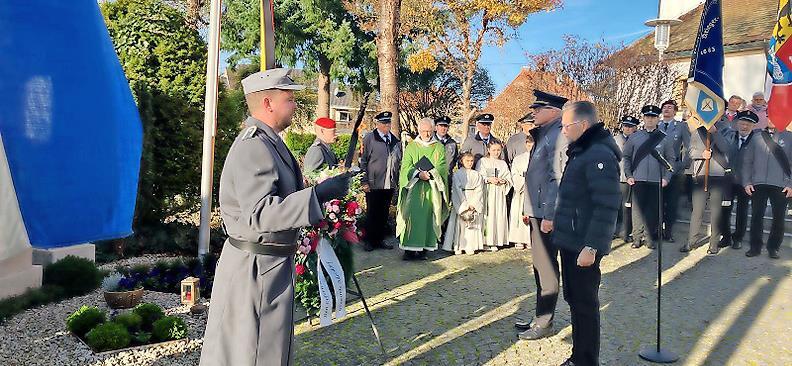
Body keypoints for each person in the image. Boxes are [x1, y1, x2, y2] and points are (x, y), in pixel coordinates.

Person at [200, 68, 350, 366]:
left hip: (268, 264)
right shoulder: (254, 146)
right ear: (267, 103)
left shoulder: (269, 142)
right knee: (253, 353)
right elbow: (261, 213)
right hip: (256, 270)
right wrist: (318, 195)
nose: (295, 104)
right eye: (289, 98)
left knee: (267, 350)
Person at [554, 101, 621, 366]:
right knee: (575, 300)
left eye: (565, 126)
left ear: (582, 125)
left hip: (583, 244)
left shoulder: (598, 154)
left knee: (585, 305)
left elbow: (606, 205)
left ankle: (585, 360)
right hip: (572, 239)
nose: (563, 131)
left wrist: (592, 246)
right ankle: (578, 356)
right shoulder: (583, 150)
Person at [515, 89, 569, 340]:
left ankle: (545, 321)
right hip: (537, 212)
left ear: (554, 111)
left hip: (547, 215)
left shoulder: (558, 135)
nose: (533, 112)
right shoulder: (546, 134)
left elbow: (556, 179)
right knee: (539, 266)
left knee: (546, 268)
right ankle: (540, 315)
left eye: (538, 109)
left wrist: (549, 215)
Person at [622, 105, 676, 250]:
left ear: (657, 118)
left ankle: (649, 237)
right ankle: (637, 238)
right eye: (647, 117)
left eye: (653, 117)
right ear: (643, 118)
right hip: (637, 178)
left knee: (653, 210)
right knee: (637, 210)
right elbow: (626, 157)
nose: (650, 119)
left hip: (656, 179)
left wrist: (667, 177)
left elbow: (671, 160)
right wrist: (628, 174)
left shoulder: (664, 138)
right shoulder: (635, 137)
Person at [679, 116, 734, 255]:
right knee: (697, 211)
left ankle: (713, 244)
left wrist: (715, 132)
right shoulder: (698, 131)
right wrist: (701, 154)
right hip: (701, 174)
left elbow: (726, 148)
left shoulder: (727, 131)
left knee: (716, 212)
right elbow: (690, 151)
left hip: (718, 175)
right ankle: (691, 241)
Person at [396, 117, 449, 260]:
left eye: (429, 131)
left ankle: (424, 249)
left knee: (428, 217)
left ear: (433, 130)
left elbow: (442, 167)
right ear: (419, 130)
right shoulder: (412, 147)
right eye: (424, 131)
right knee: (411, 216)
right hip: (414, 188)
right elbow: (406, 166)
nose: (426, 134)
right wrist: (418, 174)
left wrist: (431, 173)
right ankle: (408, 250)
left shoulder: (438, 147)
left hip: (431, 188)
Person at [741, 114, 792, 259]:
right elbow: (747, 162)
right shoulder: (757, 137)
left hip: (781, 184)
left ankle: (773, 247)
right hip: (759, 183)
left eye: (775, 116)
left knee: (778, 218)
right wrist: (747, 182)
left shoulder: (789, 137)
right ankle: (755, 247)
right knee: (757, 216)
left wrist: (790, 184)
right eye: (769, 116)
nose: (771, 119)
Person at [360, 111, 402, 252]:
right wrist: (364, 181)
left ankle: (380, 239)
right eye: (383, 123)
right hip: (374, 183)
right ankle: (369, 241)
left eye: (388, 123)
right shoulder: (370, 138)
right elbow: (364, 160)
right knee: (372, 212)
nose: (386, 126)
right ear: (377, 124)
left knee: (383, 213)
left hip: (388, 183)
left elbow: (398, 162)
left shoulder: (395, 141)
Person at [721, 111, 757, 249]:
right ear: (737, 124)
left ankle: (738, 238)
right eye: (742, 123)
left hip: (746, 182)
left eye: (748, 124)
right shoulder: (729, 136)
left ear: (753, 126)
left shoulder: (756, 140)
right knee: (725, 209)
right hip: (728, 181)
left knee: (742, 211)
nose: (745, 126)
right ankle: (726, 236)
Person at [442, 152, 485, 255]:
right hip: (462, 201)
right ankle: (458, 246)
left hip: (473, 199)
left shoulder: (477, 174)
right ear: (462, 161)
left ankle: (470, 246)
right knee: (459, 224)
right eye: (467, 161)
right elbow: (457, 189)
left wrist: (473, 204)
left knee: (471, 224)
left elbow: (479, 189)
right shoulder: (457, 174)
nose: (470, 163)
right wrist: (465, 205)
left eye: (471, 161)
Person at [658, 100, 688, 243]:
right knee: (656, 203)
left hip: (673, 171)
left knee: (671, 203)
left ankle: (668, 232)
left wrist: (682, 164)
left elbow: (689, 147)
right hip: (656, 170)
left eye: (670, 107)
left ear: (675, 111)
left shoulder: (681, 126)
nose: (667, 110)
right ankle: (656, 230)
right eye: (664, 107)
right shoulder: (655, 125)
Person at [477, 141, 512, 252]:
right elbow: (478, 176)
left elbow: (509, 178)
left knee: (498, 214)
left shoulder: (503, 163)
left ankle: (497, 240)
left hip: (499, 193)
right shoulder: (483, 161)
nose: (496, 152)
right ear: (488, 150)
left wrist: (504, 181)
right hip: (487, 191)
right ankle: (486, 241)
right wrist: (488, 179)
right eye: (494, 150)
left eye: (498, 150)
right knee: (488, 215)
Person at [509, 124, 534, 250]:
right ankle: (519, 239)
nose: (530, 147)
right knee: (519, 213)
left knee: (531, 214)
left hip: (533, 191)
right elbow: (514, 173)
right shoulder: (518, 159)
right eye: (528, 144)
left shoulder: (539, 158)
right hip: (521, 189)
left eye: (532, 144)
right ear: (526, 144)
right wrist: (521, 183)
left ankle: (529, 239)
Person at [614, 116, 639, 243]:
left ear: (635, 128)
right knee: (619, 206)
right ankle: (619, 231)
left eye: (630, 126)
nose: (627, 128)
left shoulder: (638, 139)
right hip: (618, 177)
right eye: (625, 126)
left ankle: (627, 231)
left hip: (633, 177)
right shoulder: (615, 139)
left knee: (629, 206)